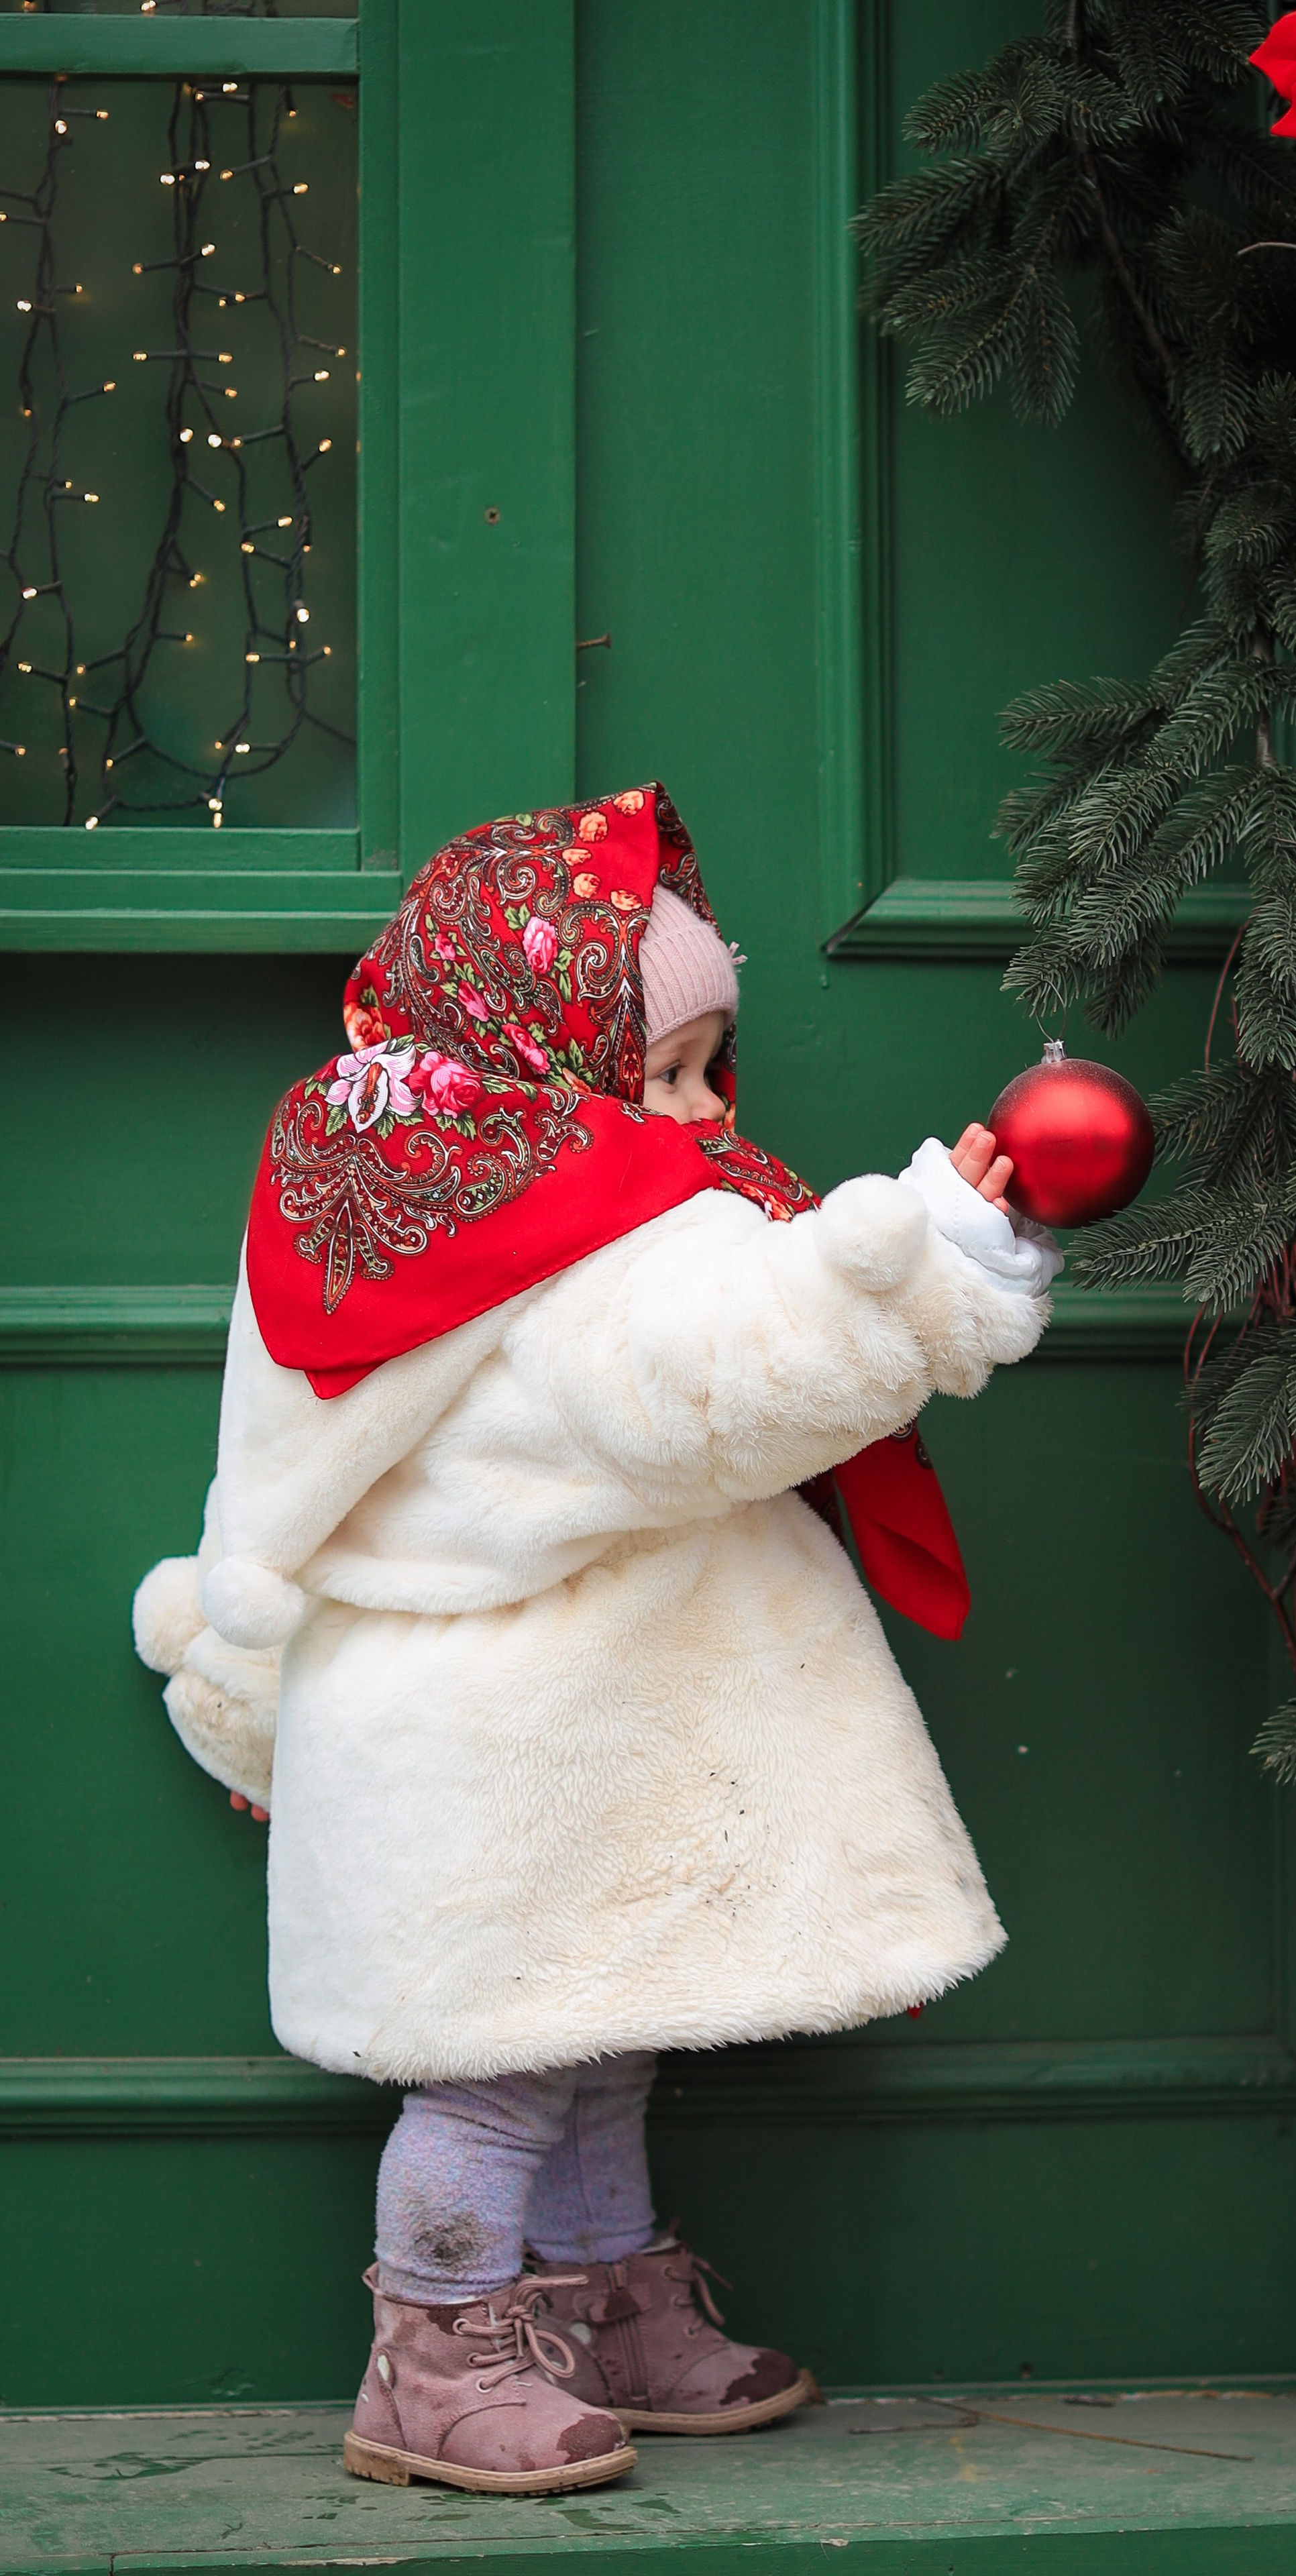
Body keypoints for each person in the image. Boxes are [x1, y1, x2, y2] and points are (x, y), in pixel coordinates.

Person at [133, 784, 1059, 2498]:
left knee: (601, 2037)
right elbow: (699, 1386)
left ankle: (602, 2297)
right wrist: (911, 1276)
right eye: (669, 1071)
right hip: (504, 1745)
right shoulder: (552, 1233)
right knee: (495, 2075)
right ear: (540, 1036)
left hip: (552, 1722)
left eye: (715, 1070)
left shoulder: (400, 1171)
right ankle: (433, 2343)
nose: (705, 1111)